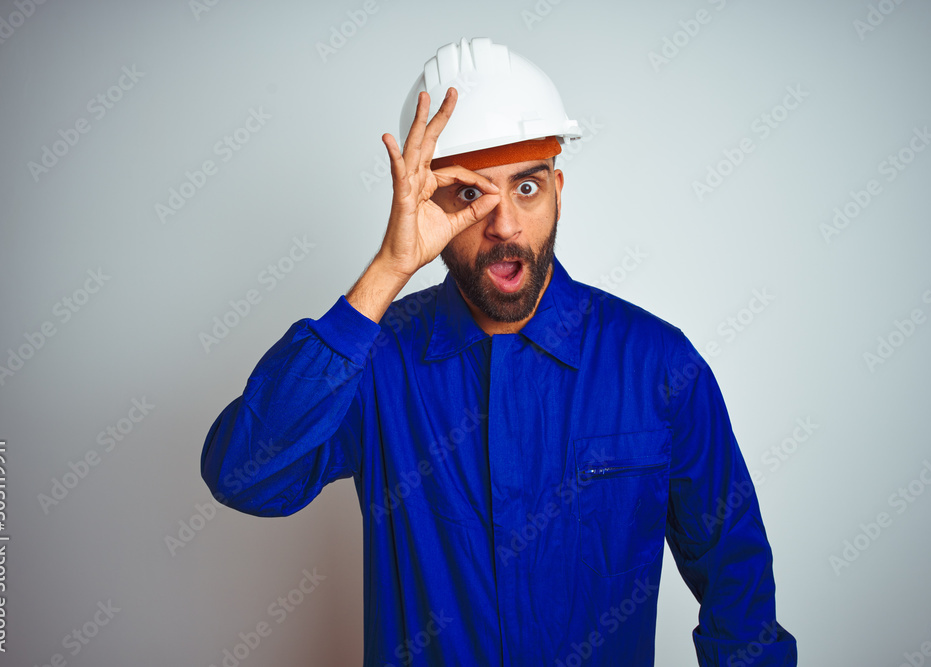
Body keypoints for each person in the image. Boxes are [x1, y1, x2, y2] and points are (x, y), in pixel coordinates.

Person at [201, 37, 797, 666]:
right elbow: (245, 475)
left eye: (528, 189)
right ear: (427, 203)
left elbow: (737, 584)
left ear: (559, 189)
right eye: (470, 194)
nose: (505, 224)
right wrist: (387, 270)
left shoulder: (658, 367)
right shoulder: (378, 363)